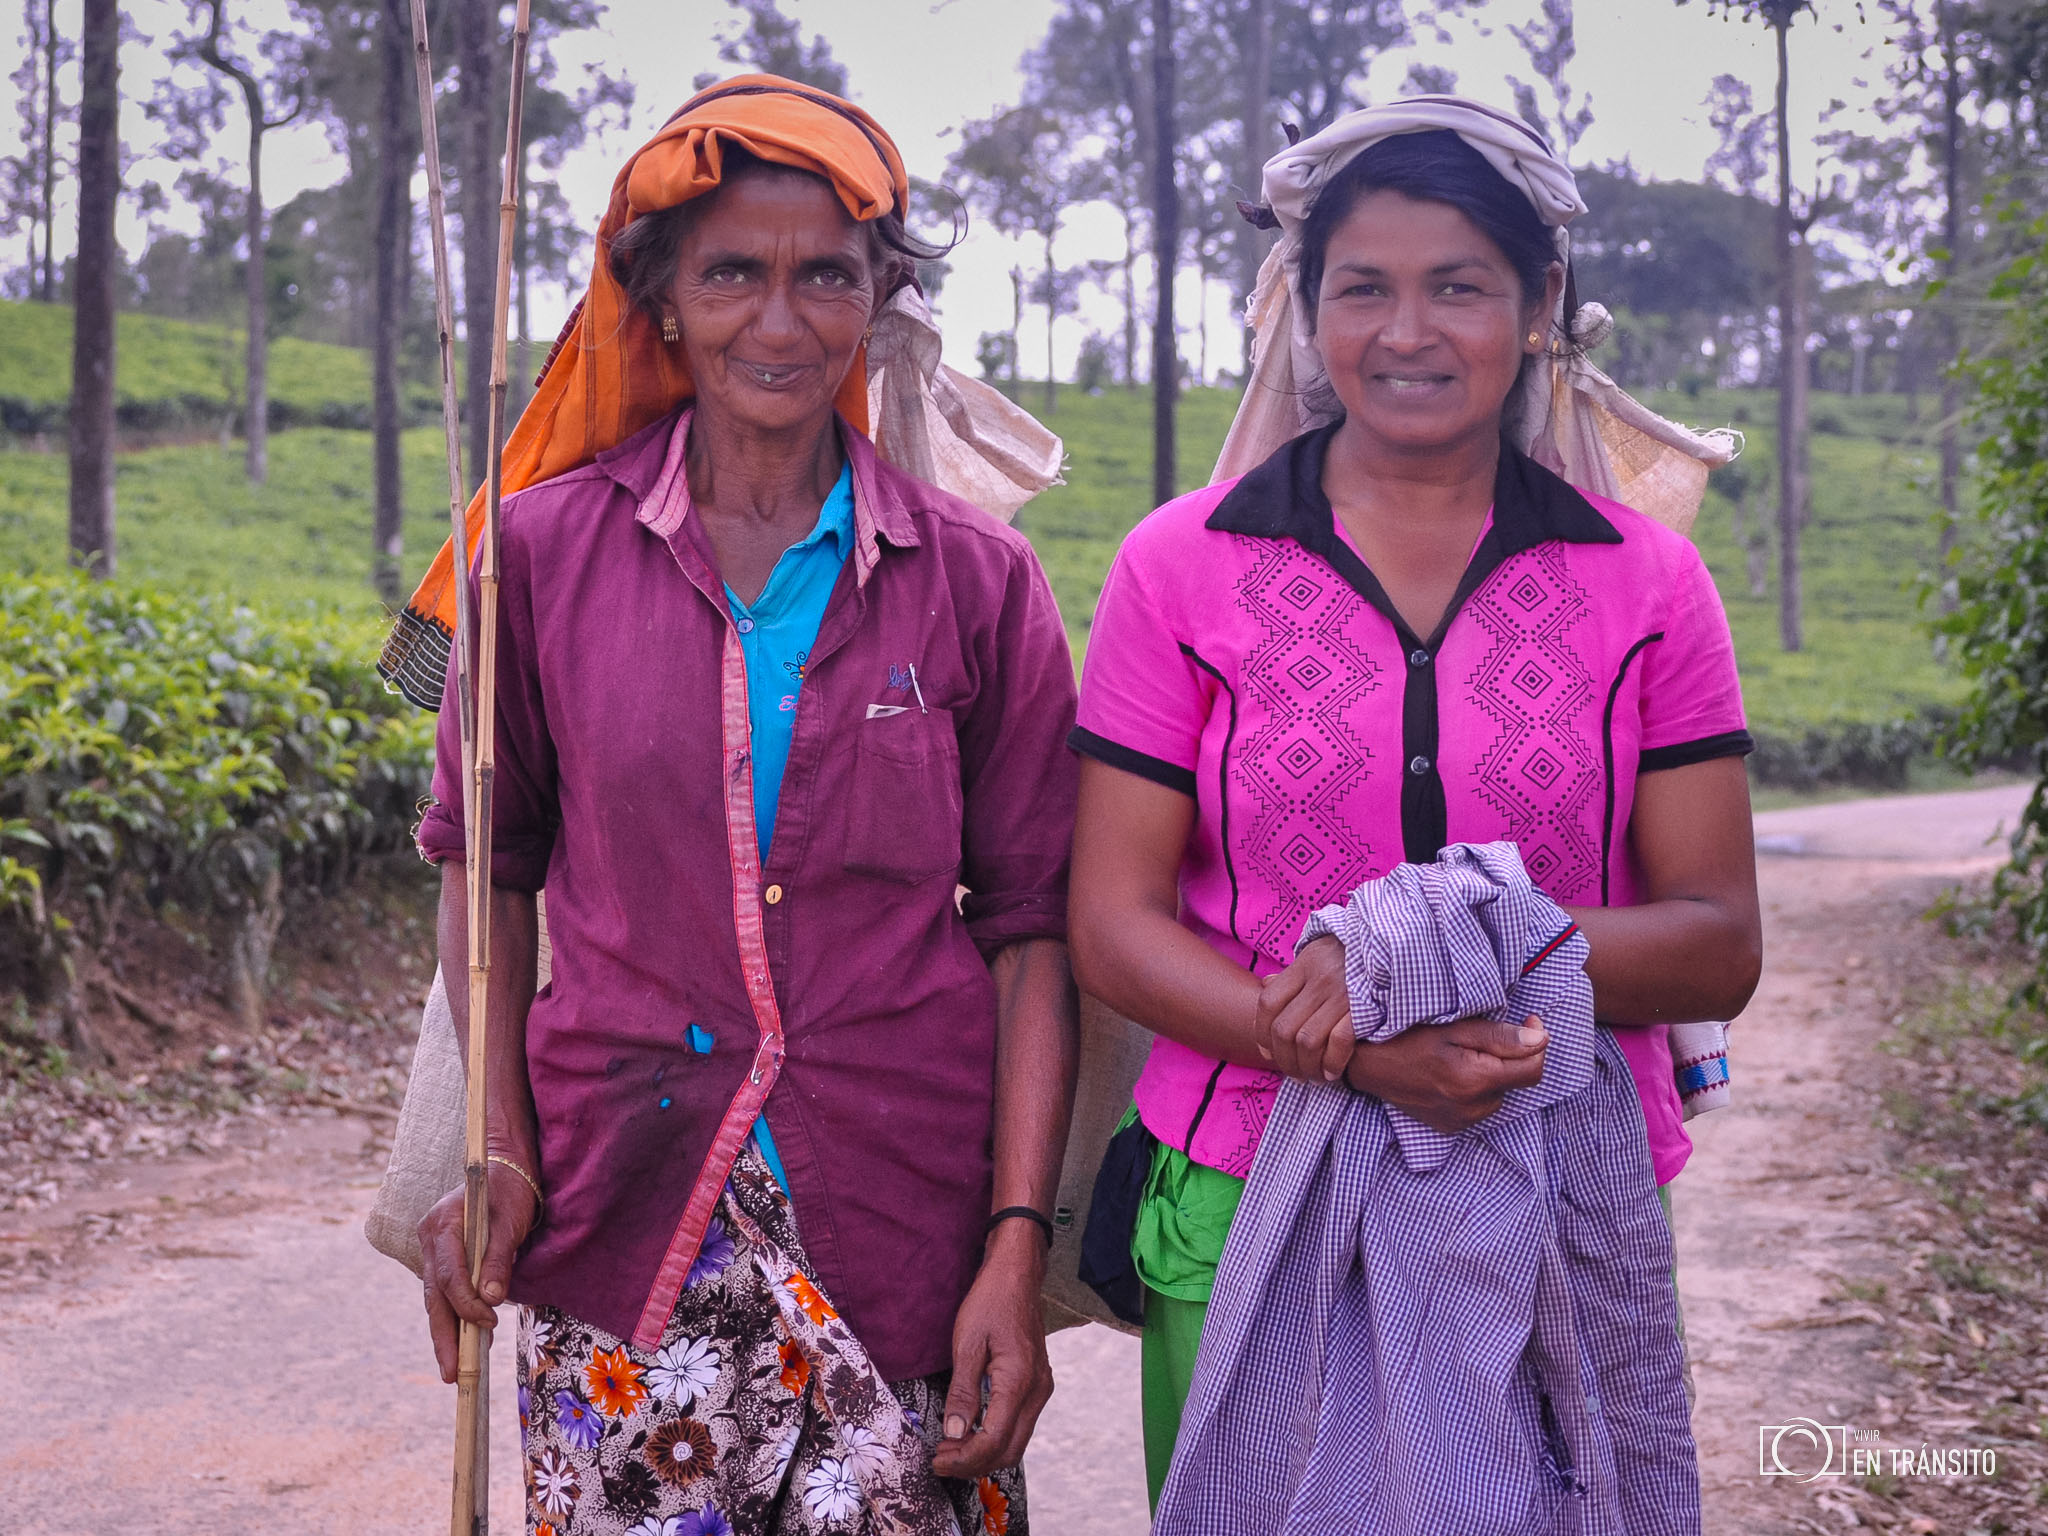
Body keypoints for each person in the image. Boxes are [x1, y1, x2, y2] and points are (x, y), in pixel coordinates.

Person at [1066, 97, 1763, 1511]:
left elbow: (1714, 943)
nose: (1407, 332)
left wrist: (1416, 951)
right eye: (1363, 289)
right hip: (1241, 1180)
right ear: (1302, 307)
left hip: (1559, 1183)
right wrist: (1340, 1049)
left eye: (1459, 287)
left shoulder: (1644, 585)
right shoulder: (1179, 570)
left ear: (1540, 301)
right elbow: (1114, 921)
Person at [406, 77, 1080, 1536]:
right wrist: (500, 1141)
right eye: (731, 274)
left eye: (824, 275)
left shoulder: (977, 583)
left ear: (878, 298)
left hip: (901, 1229)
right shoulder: (533, 563)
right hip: (627, 1210)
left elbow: (1032, 929)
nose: (779, 322)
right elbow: (488, 865)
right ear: (658, 303)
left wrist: (1014, 1252)